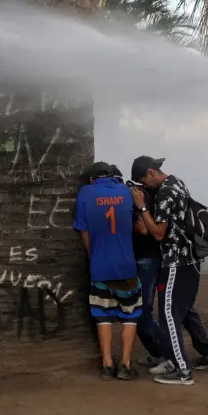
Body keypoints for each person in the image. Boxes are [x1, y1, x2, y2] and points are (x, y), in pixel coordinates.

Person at [130, 156, 208, 386]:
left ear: (151, 172)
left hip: (175, 261)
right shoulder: (178, 182)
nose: (144, 187)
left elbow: (159, 233)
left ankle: (182, 372)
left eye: (144, 181)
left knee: (169, 315)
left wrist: (141, 206)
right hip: (190, 260)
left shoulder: (164, 193)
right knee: (186, 310)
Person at [75, 161, 142, 381]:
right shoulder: (125, 191)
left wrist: (92, 257)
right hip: (127, 267)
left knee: (102, 316)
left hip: (100, 267)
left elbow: (83, 232)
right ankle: (125, 365)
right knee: (130, 316)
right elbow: (138, 226)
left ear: (92, 179)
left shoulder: (85, 193)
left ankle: (106, 365)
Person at [128, 179, 166, 367]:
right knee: (140, 311)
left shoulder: (138, 199)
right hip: (147, 260)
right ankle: (159, 353)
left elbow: (143, 229)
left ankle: (168, 354)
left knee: (141, 313)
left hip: (146, 260)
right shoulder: (152, 195)